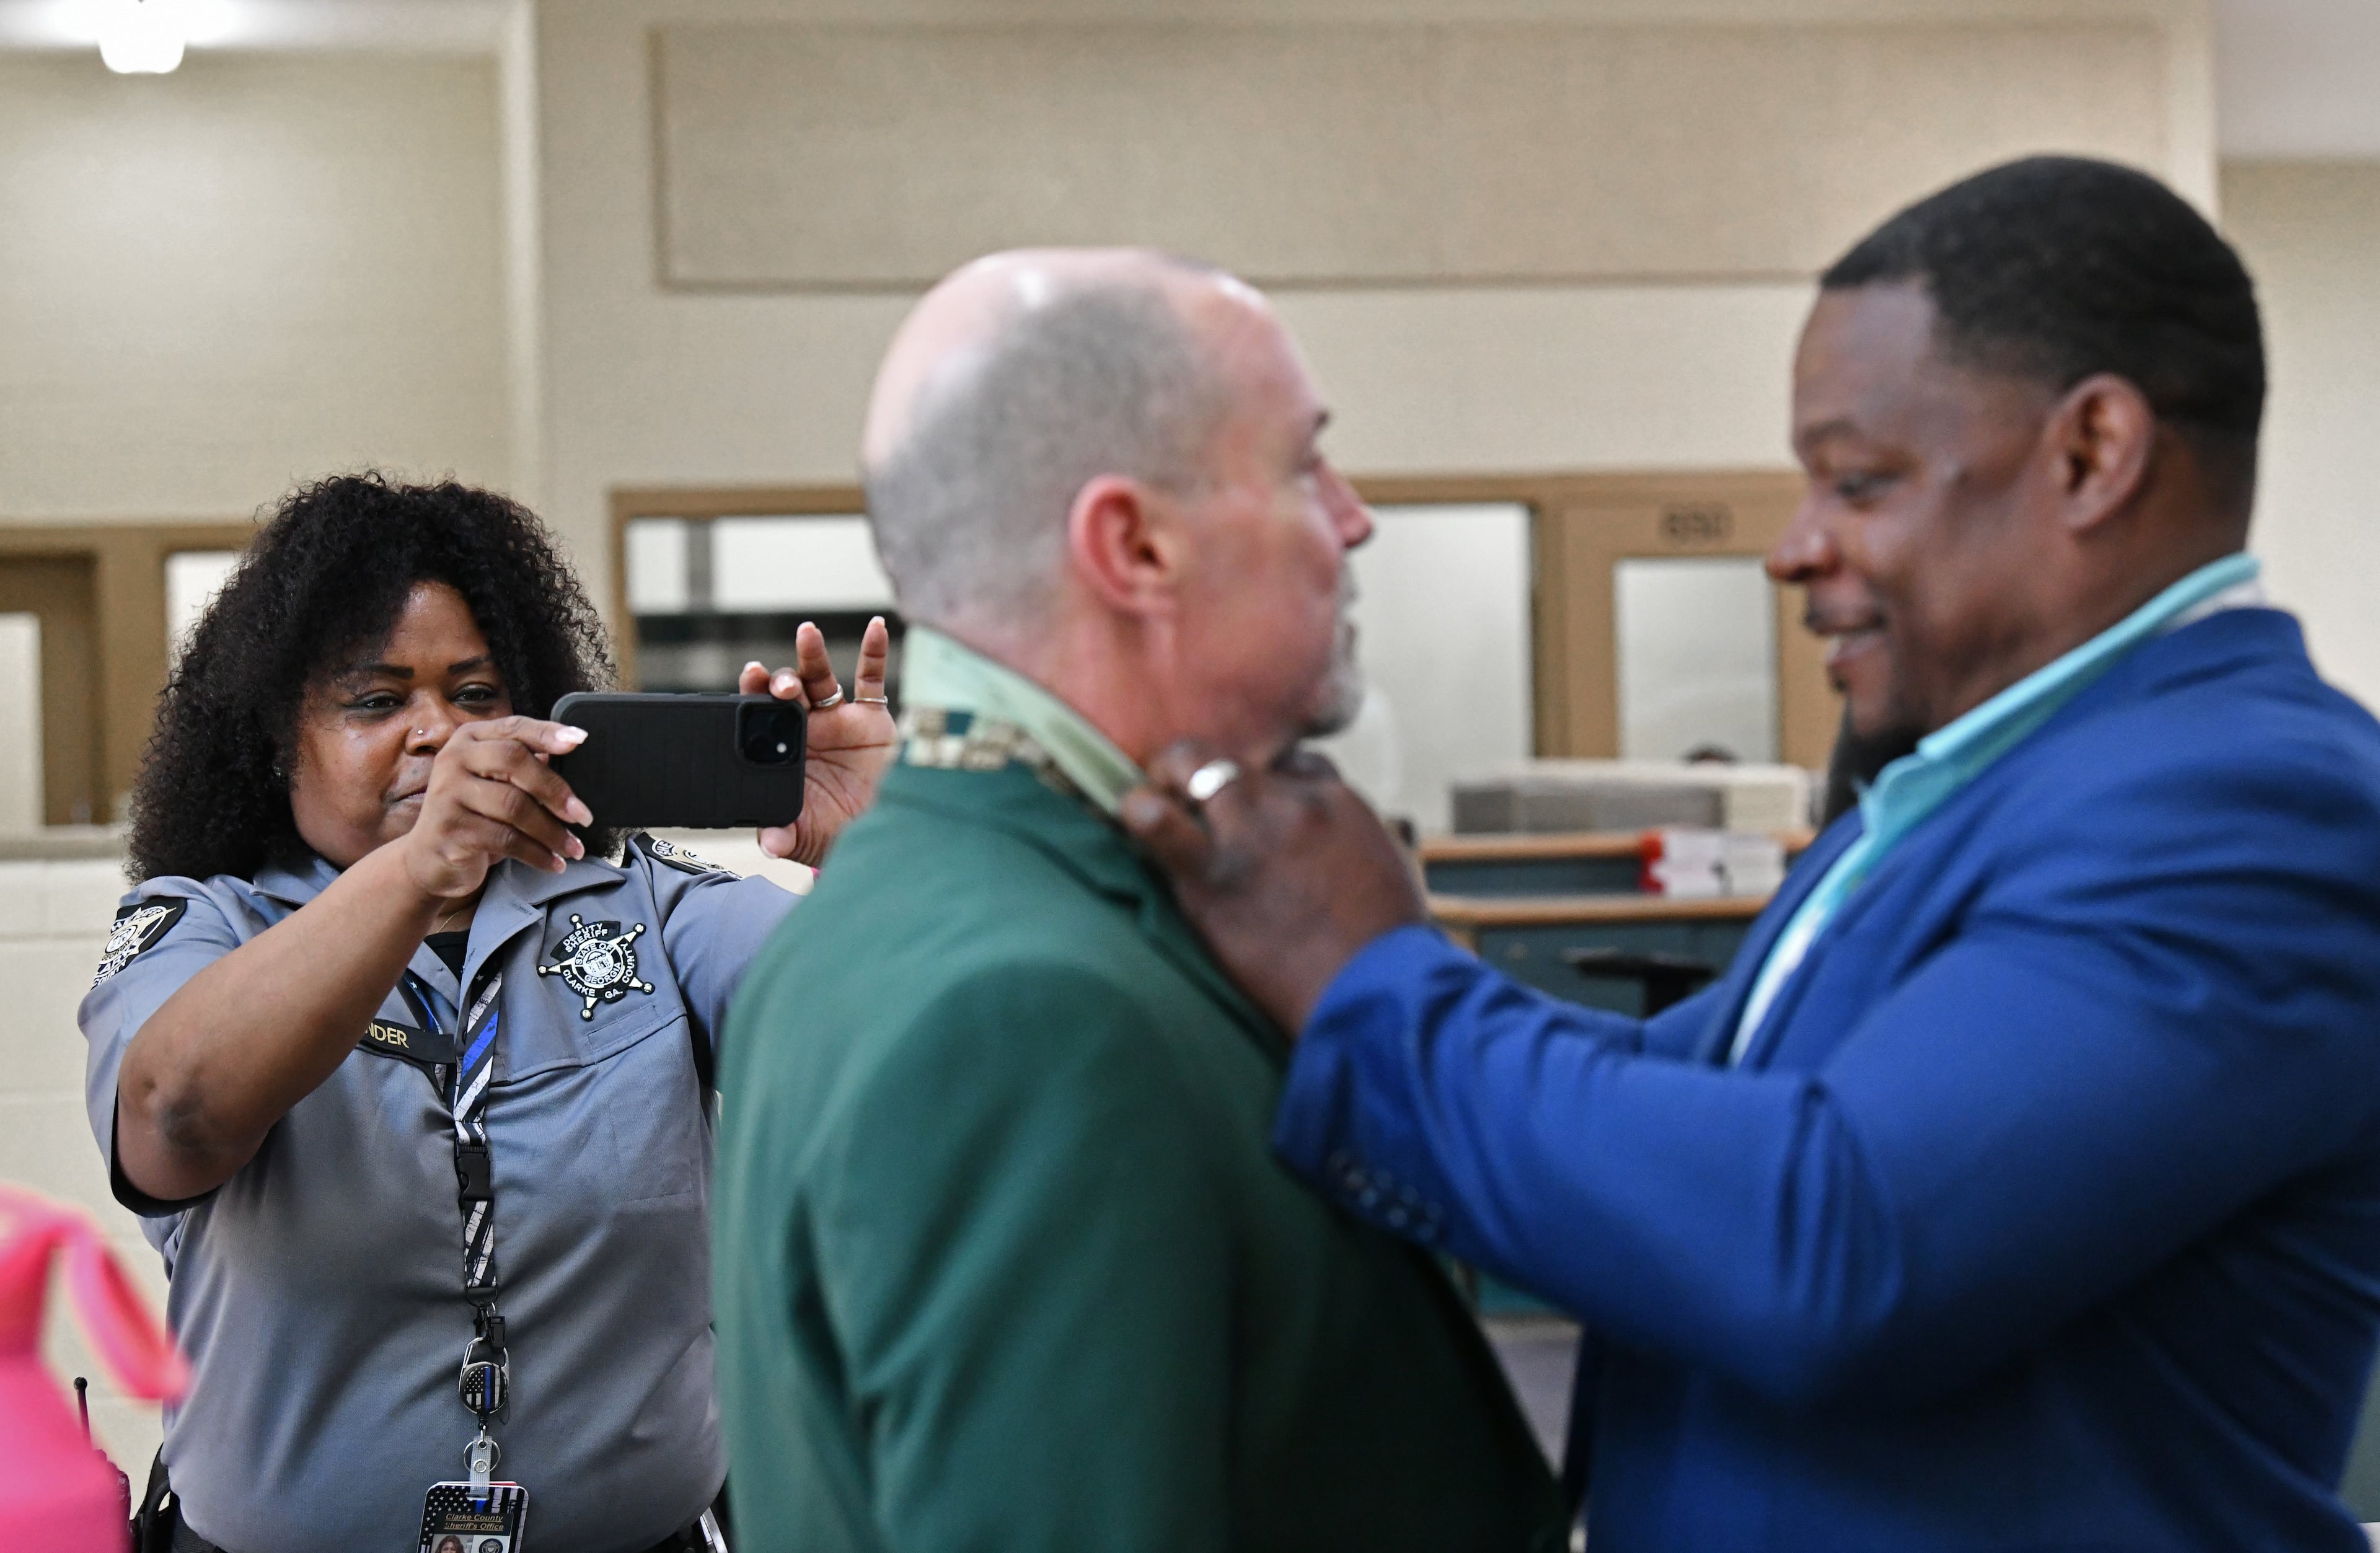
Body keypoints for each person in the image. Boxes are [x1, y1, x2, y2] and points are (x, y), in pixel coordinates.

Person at [1121, 156, 2380, 1549]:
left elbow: (1836, 1239)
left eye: (1858, 481)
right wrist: (1275, 992)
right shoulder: (1974, 793)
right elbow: (1680, 1097)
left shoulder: (2249, 806)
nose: (1794, 548)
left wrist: (1374, 969)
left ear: (2092, 456)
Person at [712, 250, 1566, 1551]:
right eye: (1304, 466)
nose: (1354, 518)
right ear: (1135, 545)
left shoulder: (916, 902)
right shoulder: (1030, 1014)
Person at [81, 475, 897, 1552]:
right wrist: (420, 867)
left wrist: (897, 856)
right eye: (377, 702)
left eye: (476, 694)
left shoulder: (647, 910)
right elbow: (174, 1117)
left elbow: (903, 1063)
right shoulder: (202, 927)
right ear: (280, 742)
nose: (441, 736)